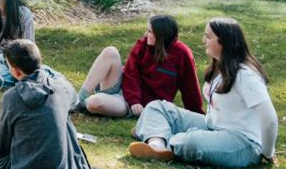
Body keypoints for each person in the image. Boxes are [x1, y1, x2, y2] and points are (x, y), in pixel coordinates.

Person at [130, 17, 278, 169]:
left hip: (242, 142)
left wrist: (267, 153)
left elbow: (270, 119)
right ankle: (156, 145)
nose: (203, 40)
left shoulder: (245, 76)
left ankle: (154, 133)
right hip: (211, 126)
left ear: (223, 41)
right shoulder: (220, 68)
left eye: (208, 37)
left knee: (191, 142)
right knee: (156, 107)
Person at [0, 39, 98, 169]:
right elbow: (73, 103)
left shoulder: (12, 97)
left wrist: (0, 161)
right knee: (66, 121)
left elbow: (4, 141)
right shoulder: (62, 87)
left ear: (16, 71)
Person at [76, 15, 204, 117]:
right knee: (110, 51)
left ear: (161, 35)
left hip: (133, 103)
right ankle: (78, 100)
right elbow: (131, 73)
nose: (146, 34)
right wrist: (134, 99)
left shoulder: (182, 53)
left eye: (150, 32)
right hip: (126, 89)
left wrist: (197, 115)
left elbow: (190, 87)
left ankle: (91, 101)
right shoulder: (143, 44)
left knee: (94, 103)